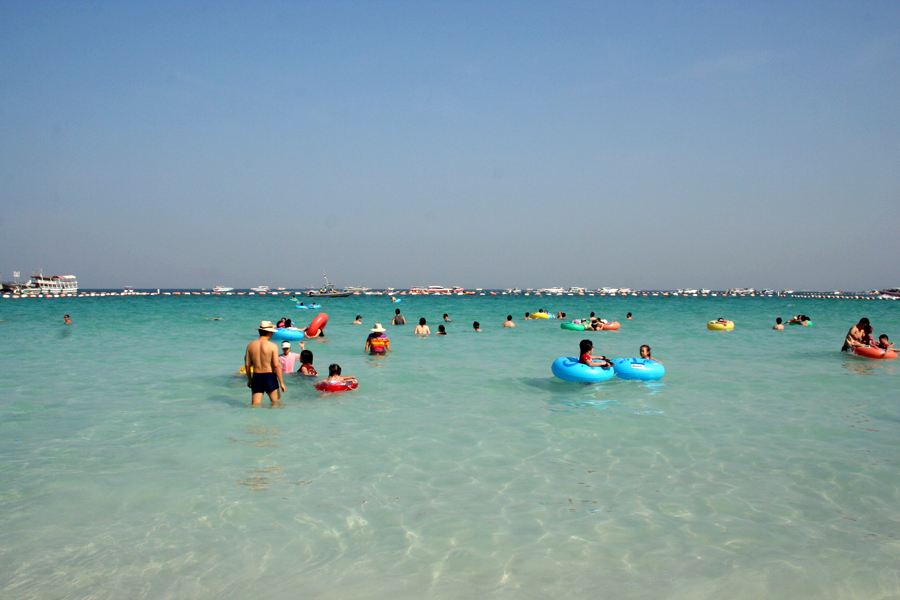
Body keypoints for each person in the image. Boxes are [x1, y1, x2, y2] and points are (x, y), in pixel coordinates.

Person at [244, 321, 285, 406]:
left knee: (255, 405)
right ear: (269, 332)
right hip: (270, 377)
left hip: (257, 377)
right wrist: (281, 382)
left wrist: (249, 379)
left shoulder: (250, 345)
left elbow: (247, 365)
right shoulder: (272, 346)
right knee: (276, 404)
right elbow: (276, 365)